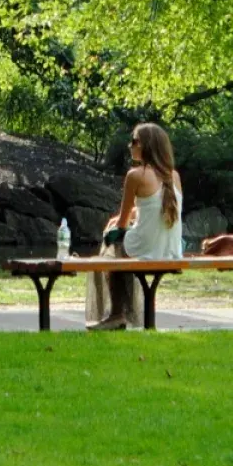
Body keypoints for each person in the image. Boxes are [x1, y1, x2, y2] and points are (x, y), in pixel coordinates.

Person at [89, 122, 184, 331]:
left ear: (147, 146)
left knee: (112, 242)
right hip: (171, 252)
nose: (129, 145)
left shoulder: (135, 175)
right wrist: (132, 216)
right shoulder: (174, 176)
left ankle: (116, 313)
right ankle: (125, 312)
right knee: (122, 243)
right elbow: (156, 209)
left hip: (147, 250)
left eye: (134, 141)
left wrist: (116, 224)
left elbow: (122, 224)